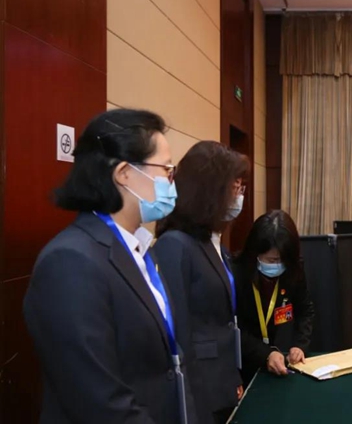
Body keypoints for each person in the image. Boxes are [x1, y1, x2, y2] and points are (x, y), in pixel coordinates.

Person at [23, 109, 196, 423]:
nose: (172, 183)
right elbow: (99, 401)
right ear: (124, 173)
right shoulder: (70, 262)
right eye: (167, 170)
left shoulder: (140, 249)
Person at [154, 141, 253, 424]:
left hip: (222, 381)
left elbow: (224, 323)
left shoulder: (212, 242)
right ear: (210, 190)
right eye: (234, 187)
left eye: (241, 187)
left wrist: (233, 378)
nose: (238, 196)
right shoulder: (175, 245)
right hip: (200, 391)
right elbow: (180, 337)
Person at [233, 210, 315, 384]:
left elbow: (305, 310)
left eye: (282, 260)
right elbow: (234, 327)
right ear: (255, 253)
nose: (278, 265)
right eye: (271, 260)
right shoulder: (237, 273)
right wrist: (265, 353)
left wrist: (300, 345)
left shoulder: (293, 268)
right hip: (245, 364)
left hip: (281, 363)